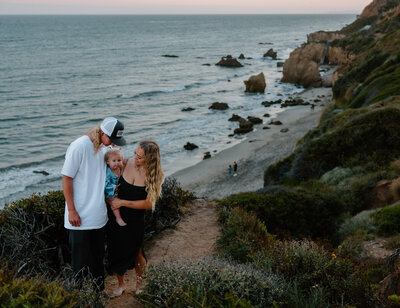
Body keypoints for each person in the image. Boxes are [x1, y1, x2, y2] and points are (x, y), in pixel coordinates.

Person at [61, 116, 126, 291]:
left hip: (99, 218)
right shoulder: (79, 146)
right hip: (79, 219)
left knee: (98, 262)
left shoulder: (104, 149)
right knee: (81, 267)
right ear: (102, 132)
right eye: (111, 139)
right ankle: (84, 300)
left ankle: (98, 296)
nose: (112, 144)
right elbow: (66, 179)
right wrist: (71, 211)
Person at [107, 139, 165, 297]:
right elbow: (109, 165)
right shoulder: (126, 163)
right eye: (135, 154)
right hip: (116, 217)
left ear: (150, 159)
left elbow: (148, 204)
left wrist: (123, 202)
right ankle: (121, 285)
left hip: (135, 219)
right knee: (116, 251)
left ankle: (140, 284)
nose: (135, 158)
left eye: (140, 157)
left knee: (137, 252)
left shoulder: (155, 175)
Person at [105, 147, 126, 226]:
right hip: (110, 193)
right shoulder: (108, 172)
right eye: (114, 161)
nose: (117, 163)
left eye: (119, 160)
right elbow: (106, 184)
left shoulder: (119, 169)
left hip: (118, 190)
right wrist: (114, 188)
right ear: (108, 162)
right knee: (114, 203)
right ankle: (118, 218)